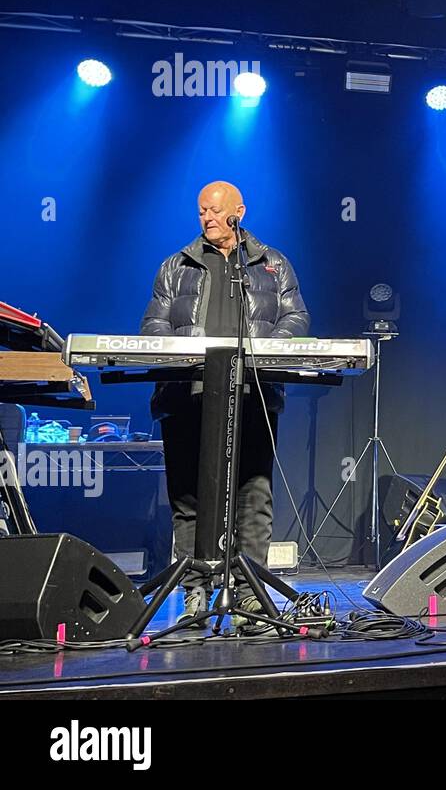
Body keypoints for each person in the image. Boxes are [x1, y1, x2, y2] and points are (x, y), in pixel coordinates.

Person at [141, 181, 309, 620]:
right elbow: (153, 326)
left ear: (239, 211)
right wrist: (186, 355)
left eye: (216, 211)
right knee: (189, 499)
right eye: (201, 212)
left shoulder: (273, 264)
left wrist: (264, 347)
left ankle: (248, 596)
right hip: (187, 397)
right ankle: (195, 595)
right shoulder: (175, 267)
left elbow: (298, 316)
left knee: (253, 495)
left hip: (253, 395)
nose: (208, 218)